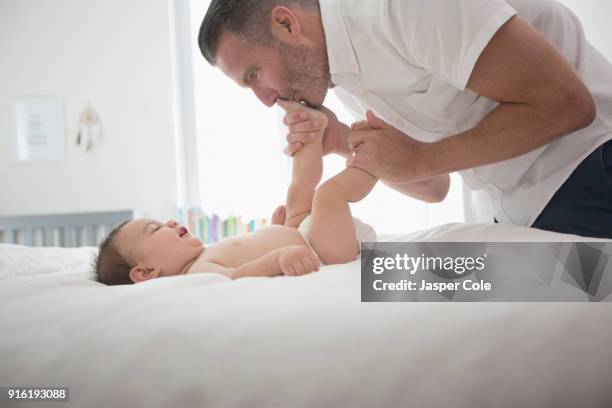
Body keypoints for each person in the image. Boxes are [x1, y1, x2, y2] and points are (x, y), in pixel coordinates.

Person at [197, 0, 612, 239]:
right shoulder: (340, 70)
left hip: (589, 172)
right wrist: (341, 140)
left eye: (255, 75)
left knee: (414, 290)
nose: (266, 100)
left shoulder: (397, 6)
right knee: (399, 283)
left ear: (286, 23)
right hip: (516, 209)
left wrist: (421, 160)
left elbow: (566, 103)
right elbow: (432, 186)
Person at [95, 101, 377, 285]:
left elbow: (248, 251)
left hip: (303, 236)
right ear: (146, 272)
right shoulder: (197, 274)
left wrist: (278, 230)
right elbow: (239, 274)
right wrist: (278, 258)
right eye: (155, 229)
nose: (168, 223)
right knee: (327, 196)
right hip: (325, 251)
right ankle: (375, 158)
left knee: (298, 191)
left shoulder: (204, 253)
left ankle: (312, 130)